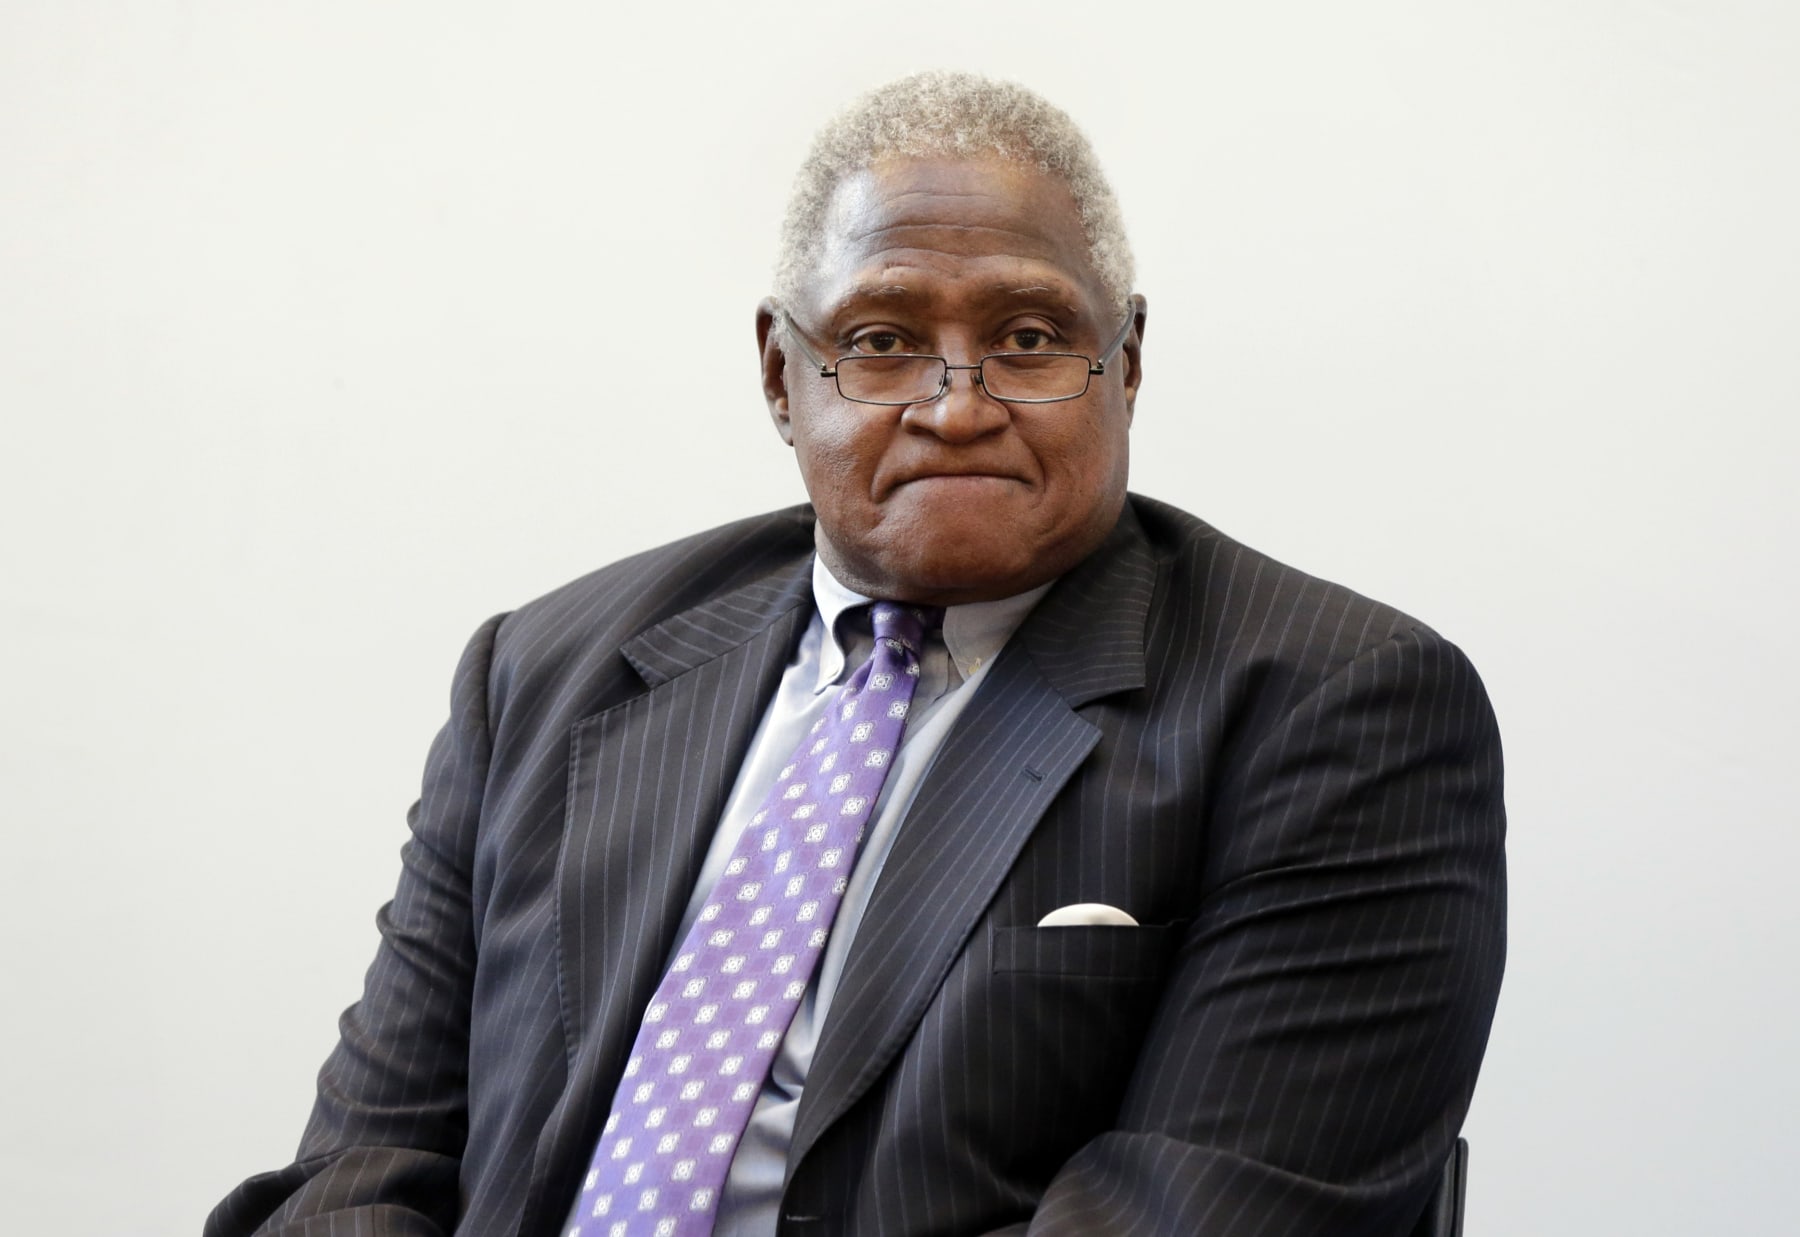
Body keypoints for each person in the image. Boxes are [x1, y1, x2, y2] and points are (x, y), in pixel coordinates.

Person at [207, 71, 1505, 1237]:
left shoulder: (1343, 709)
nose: (957, 403)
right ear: (783, 373)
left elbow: (1195, 1215)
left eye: (1030, 337)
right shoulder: (546, 672)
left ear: (1128, 364)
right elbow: (367, 1161)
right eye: (882, 342)